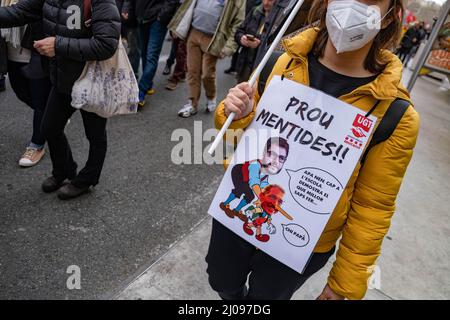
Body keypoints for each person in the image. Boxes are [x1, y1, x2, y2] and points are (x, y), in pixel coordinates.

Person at [208, 0, 420, 300]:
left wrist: (343, 283)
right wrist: (235, 112)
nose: (352, 6)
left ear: (388, 17)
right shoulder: (282, 62)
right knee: (221, 280)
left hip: (303, 239)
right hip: (241, 208)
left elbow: (374, 206)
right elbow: (235, 135)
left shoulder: (395, 114)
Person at [0, 0, 121, 200]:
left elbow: (106, 44)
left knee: (95, 135)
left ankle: (87, 179)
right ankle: (64, 171)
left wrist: (57, 45)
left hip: (91, 81)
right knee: (49, 128)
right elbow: (20, 12)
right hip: (62, 78)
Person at [168, 0, 245, 118]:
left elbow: (238, 23)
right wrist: (177, 26)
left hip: (214, 39)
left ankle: (211, 96)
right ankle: (192, 104)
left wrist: (228, 47)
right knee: (192, 71)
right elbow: (186, 5)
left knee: (207, 74)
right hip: (194, 32)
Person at [1, 12, 51, 167]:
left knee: (39, 101)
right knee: (20, 92)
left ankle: (36, 146)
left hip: (37, 51)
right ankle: (53, 115)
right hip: (12, 51)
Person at [131, 0, 179, 107]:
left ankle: (141, 92)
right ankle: (148, 84)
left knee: (151, 56)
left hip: (157, 21)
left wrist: (162, 16)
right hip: (142, 19)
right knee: (144, 53)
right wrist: (130, 10)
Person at [234, 0, 276, 82]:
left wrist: (259, 44)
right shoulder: (255, 11)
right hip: (245, 63)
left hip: (260, 67)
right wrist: (241, 39)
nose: (266, 3)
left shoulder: (278, 18)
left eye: (270, 0)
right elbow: (239, 31)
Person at [224, 0, 262, 75]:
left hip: (256, 62)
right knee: (238, 47)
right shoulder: (253, 8)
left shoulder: (260, 8)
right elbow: (239, 31)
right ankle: (233, 67)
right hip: (245, 22)